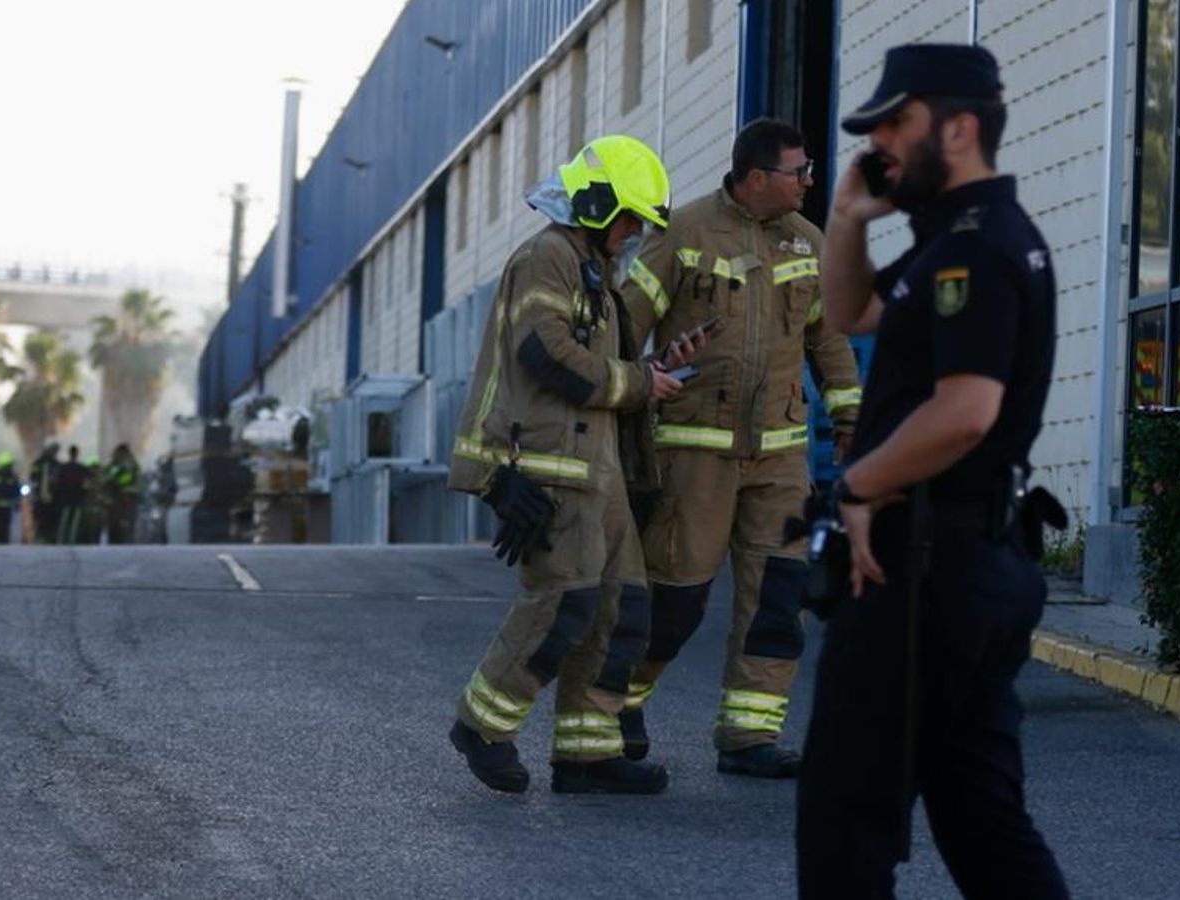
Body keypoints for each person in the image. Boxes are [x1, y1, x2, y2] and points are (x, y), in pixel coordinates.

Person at [796, 44, 1069, 898]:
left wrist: (858, 484)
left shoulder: (972, 253)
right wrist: (848, 218)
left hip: (926, 568)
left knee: (845, 817)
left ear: (958, 129)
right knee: (982, 820)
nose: (876, 140)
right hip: (966, 558)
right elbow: (850, 309)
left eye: (895, 121)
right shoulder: (952, 241)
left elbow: (966, 411)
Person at [446, 135, 697, 795]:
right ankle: (482, 725)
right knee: (563, 606)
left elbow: (595, 364)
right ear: (596, 203)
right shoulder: (548, 257)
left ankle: (588, 752)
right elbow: (546, 352)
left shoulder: (591, 268)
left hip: (596, 471)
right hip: (553, 468)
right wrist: (639, 382)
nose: (635, 232)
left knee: (621, 610)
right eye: (630, 217)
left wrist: (652, 370)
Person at [620, 118, 863, 778]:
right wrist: (622, 395)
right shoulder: (682, 234)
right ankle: (620, 702)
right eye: (798, 171)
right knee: (675, 600)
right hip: (693, 453)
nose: (809, 181)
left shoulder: (807, 241)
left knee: (779, 596)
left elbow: (829, 339)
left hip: (779, 456)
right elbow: (624, 330)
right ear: (757, 177)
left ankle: (749, 734)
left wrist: (849, 416)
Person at [105, 443, 142, 544]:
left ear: (122, 453)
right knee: (123, 523)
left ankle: (126, 543)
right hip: (125, 497)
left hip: (128, 496)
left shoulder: (128, 463)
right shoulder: (122, 463)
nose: (115, 455)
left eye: (116, 453)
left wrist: (111, 479)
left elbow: (124, 478)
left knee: (125, 523)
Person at [54, 445, 89, 545]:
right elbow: (86, 484)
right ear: (77, 454)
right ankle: (71, 540)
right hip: (77, 498)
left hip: (65, 497)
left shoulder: (63, 468)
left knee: (64, 520)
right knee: (75, 521)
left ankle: (60, 540)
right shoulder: (82, 468)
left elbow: (58, 483)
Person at [29, 443, 61, 544]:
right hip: (42, 497)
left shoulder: (55, 464)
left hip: (50, 497)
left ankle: (46, 537)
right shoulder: (43, 464)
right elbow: (33, 477)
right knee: (41, 518)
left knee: (48, 518)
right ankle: (40, 537)